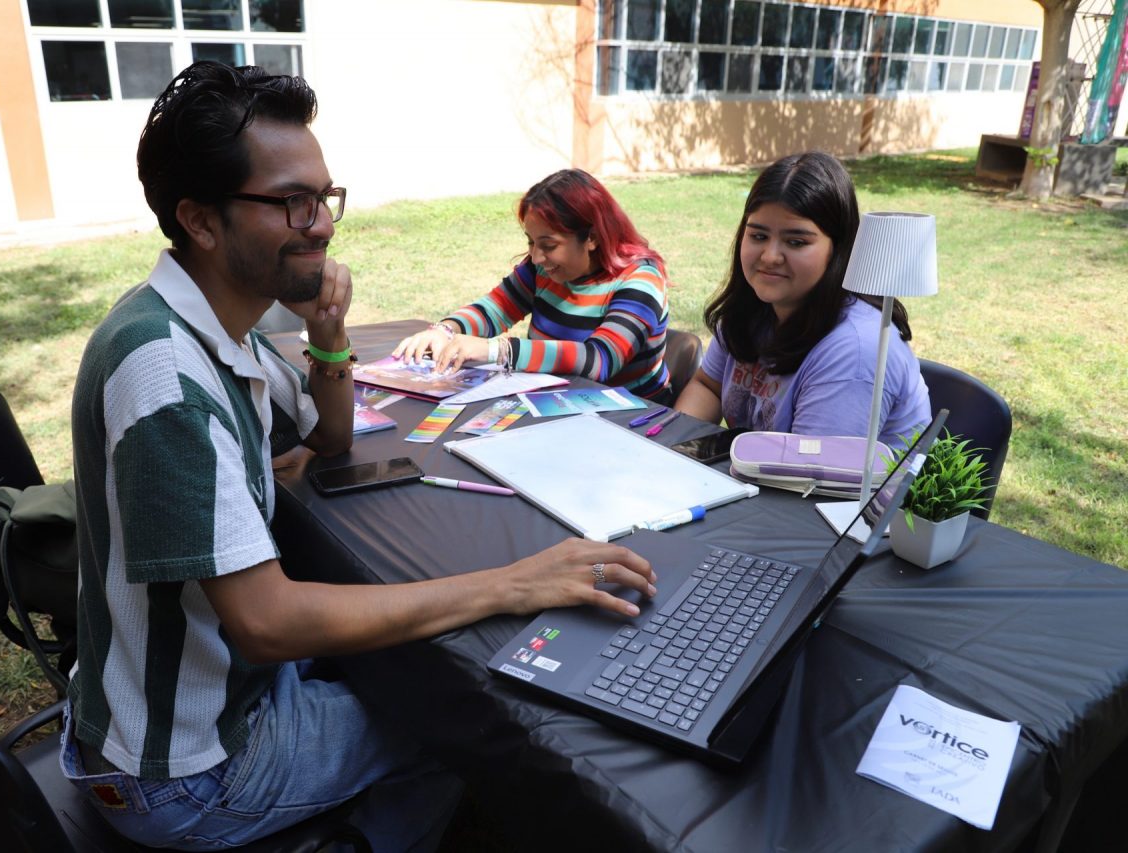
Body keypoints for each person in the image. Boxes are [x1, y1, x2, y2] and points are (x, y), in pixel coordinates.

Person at [63, 61, 657, 853]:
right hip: (189, 769)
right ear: (201, 221)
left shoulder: (204, 326)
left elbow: (330, 438)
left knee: (423, 676)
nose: (322, 225)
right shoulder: (166, 373)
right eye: (292, 202)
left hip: (204, 699)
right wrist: (514, 581)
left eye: (325, 197)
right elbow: (269, 622)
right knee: (470, 726)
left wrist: (329, 334)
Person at [675, 152, 930, 445]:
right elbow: (708, 386)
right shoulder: (752, 309)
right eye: (758, 236)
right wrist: (676, 446)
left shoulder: (854, 353)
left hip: (818, 475)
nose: (770, 257)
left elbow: (813, 469)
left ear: (838, 249)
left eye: (796, 242)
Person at [392, 169, 674, 402]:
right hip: (559, 405)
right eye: (531, 241)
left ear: (592, 237)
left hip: (635, 420)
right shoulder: (543, 269)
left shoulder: (641, 280)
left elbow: (600, 360)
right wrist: (445, 330)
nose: (537, 257)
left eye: (549, 245)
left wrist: (498, 351)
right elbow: (495, 309)